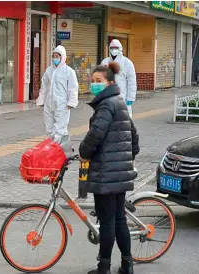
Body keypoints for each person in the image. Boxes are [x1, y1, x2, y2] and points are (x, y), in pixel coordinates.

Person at [79, 62, 140, 274]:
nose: (94, 85)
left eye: (99, 81)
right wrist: (127, 158)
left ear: (110, 83)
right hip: (119, 173)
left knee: (107, 222)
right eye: (93, 81)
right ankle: (127, 264)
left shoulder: (106, 105)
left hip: (106, 174)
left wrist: (83, 152)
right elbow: (134, 136)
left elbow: (96, 134)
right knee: (119, 219)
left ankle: (103, 267)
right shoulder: (119, 102)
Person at [36, 45, 79, 153]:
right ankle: (61, 148)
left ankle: (55, 151)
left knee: (59, 129)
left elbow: (73, 88)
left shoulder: (69, 71)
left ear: (63, 57)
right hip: (49, 103)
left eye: (57, 56)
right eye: (53, 56)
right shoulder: (49, 71)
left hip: (62, 104)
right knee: (49, 128)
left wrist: (71, 102)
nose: (55, 58)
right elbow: (44, 87)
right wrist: (41, 100)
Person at [101, 39, 137, 118]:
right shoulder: (105, 62)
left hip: (122, 96)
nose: (114, 50)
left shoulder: (127, 62)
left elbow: (132, 81)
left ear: (120, 48)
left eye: (116, 48)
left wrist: (131, 97)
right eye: (112, 48)